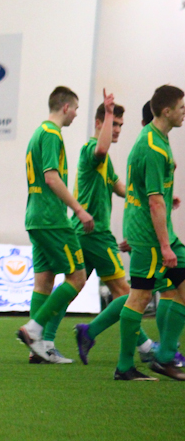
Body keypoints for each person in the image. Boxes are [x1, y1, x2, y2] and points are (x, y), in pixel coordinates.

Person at [73, 99, 164, 364]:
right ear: (99, 123)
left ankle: (40, 335)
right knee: (127, 293)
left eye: (120, 125)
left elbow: (120, 187)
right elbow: (101, 149)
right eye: (113, 123)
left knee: (72, 286)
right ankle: (144, 347)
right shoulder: (92, 149)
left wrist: (154, 196)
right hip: (95, 233)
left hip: (88, 233)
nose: (117, 130)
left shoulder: (106, 161)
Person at [17, 86, 94, 363]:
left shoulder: (37, 133)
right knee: (77, 277)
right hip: (52, 219)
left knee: (44, 282)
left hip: (35, 218)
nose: (76, 114)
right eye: (76, 109)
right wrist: (79, 209)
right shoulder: (51, 134)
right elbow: (51, 177)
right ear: (65, 107)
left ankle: (38, 349)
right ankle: (34, 330)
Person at [115, 85, 185, 380]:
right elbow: (154, 202)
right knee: (139, 297)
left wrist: (168, 198)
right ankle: (128, 366)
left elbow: (154, 191)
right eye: (181, 107)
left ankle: (164, 357)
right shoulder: (153, 147)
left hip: (153, 231)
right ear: (167, 111)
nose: (184, 112)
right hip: (151, 236)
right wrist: (165, 246)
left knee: (159, 292)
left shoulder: (155, 136)